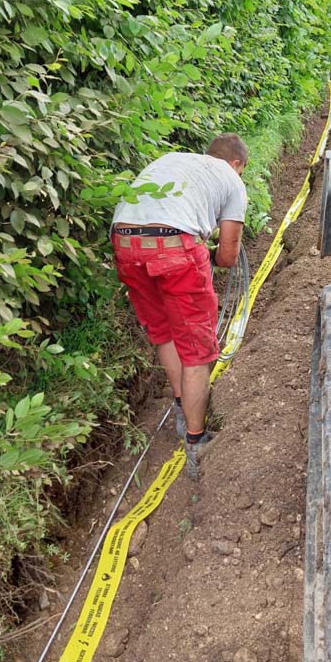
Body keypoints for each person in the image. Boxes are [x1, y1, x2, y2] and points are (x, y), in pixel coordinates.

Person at [111, 133, 248, 478]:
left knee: (162, 331)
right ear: (236, 164)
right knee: (198, 351)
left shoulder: (174, 160)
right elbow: (229, 256)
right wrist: (209, 255)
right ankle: (196, 440)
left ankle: (179, 404)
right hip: (175, 247)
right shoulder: (232, 180)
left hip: (124, 242)